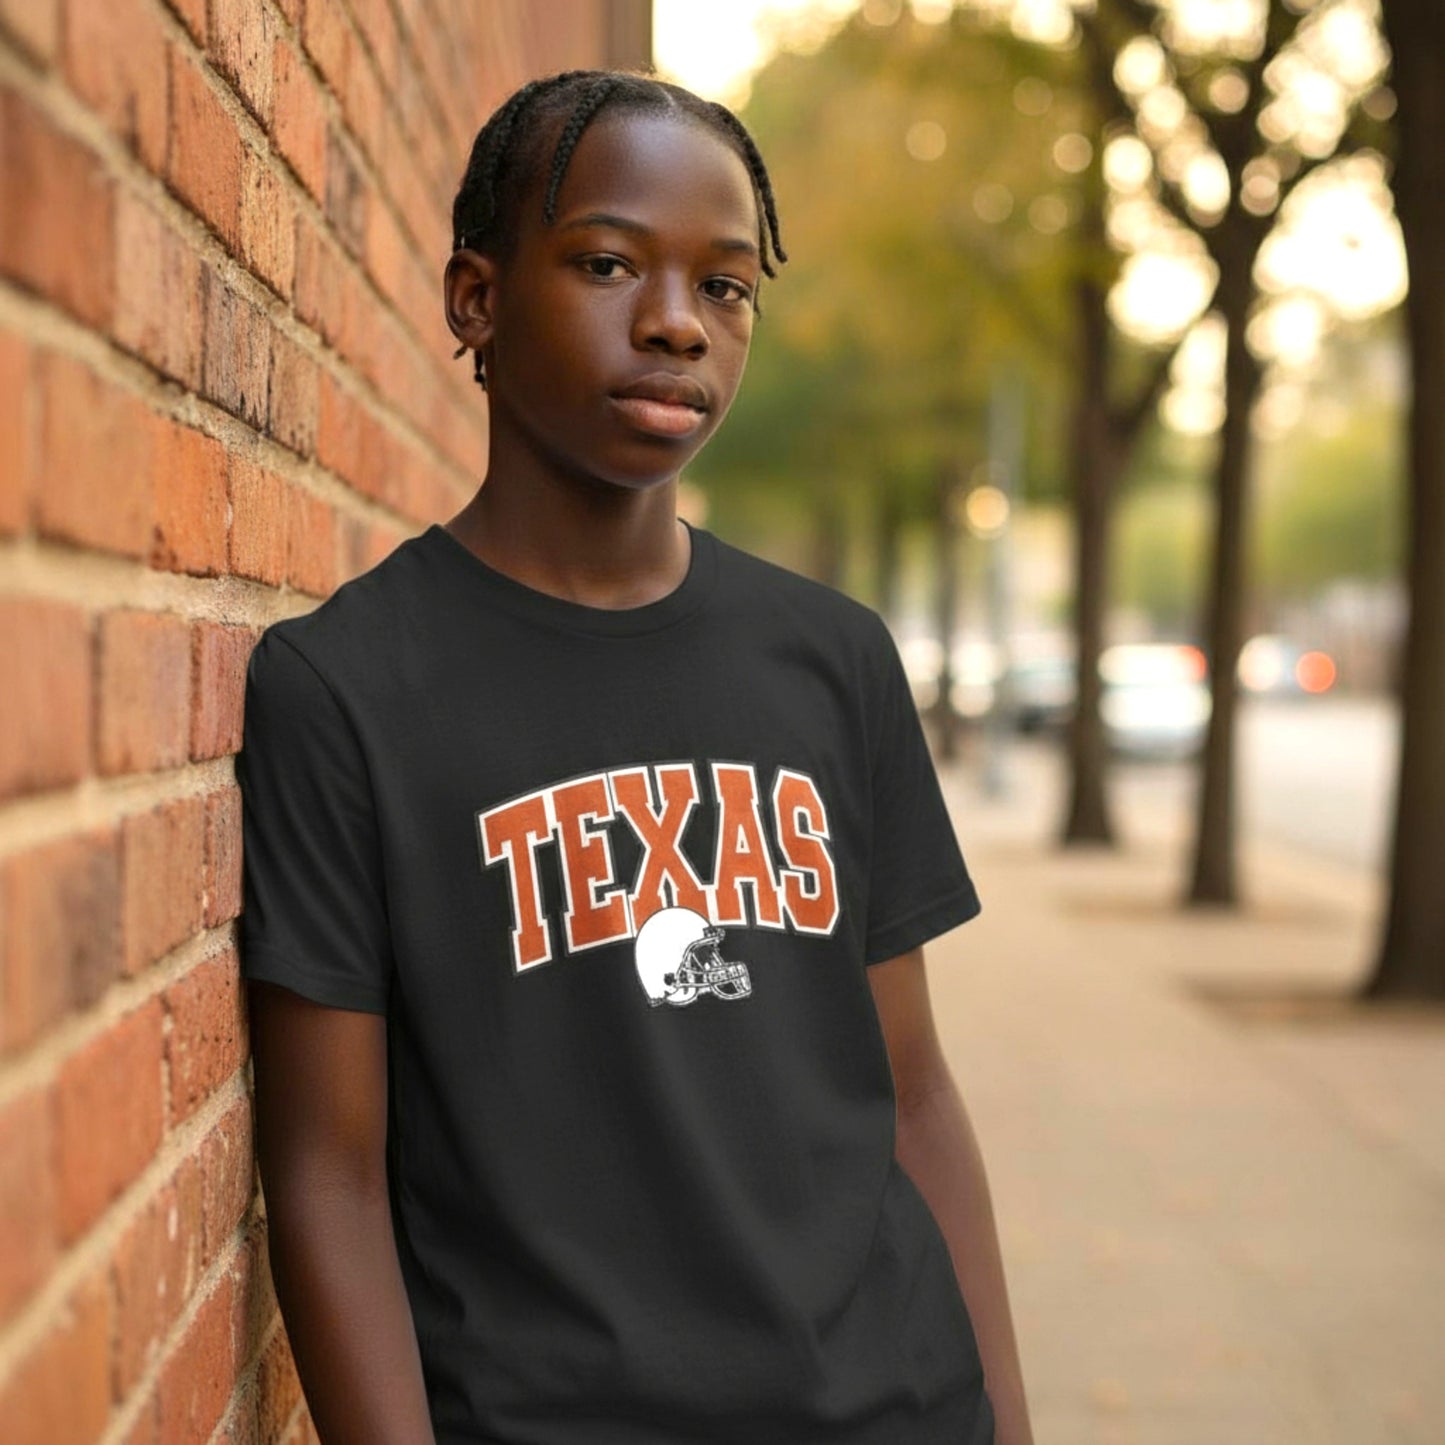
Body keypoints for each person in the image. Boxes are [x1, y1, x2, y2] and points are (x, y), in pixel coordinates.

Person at [237, 67, 1034, 1445]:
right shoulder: (346, 687)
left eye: (726, 286)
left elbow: (911, 1093)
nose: (677, 322)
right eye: (608, 264)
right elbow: (328, 1175)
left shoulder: (834, 660)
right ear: (476, 299)